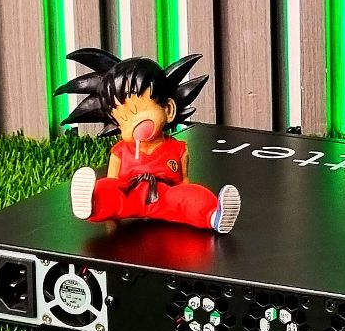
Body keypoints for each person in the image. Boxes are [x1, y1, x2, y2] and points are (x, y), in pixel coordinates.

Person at [56, 47, 240, 233]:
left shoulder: (178, 149)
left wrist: (186, 196)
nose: (134, 123)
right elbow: (113, 181)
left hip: (166, 197)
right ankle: (91, 203)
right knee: (107, 190)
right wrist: (111, 216)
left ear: (168, 110)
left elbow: (184, 181)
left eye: (140, 111)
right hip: (130, 195)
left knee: (192, 195)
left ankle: (215, 216)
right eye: (124, 119)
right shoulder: (120, 152)